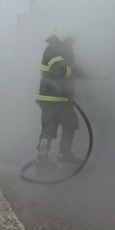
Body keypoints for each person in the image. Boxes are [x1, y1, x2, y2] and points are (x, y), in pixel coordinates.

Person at [35, 23, 84, 171]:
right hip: (51, 98)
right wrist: (76, 71)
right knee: (48, 130)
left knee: (71, 124)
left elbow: (70, 69)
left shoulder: (62, 49)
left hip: (62, 98)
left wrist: (91, 74)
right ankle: (42, 161)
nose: (72, 41)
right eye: (70, 38)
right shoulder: (53, 49)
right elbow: (60, 70)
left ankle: (64, 154)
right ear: (64, 36)